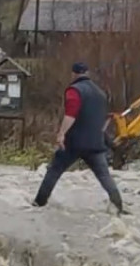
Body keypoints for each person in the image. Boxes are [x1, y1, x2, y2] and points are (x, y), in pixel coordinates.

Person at [32, 62, 125, 215]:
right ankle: (118, 207)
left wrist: (61, 134)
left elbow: (71, 114)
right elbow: (100, 122)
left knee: (54, 171)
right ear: (87, 73)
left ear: (73, 74)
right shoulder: (101, 94)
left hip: (74, 143)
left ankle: (39, 203)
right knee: (104, 176)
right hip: (95, 143)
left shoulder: (74, 90)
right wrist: (107, 141)